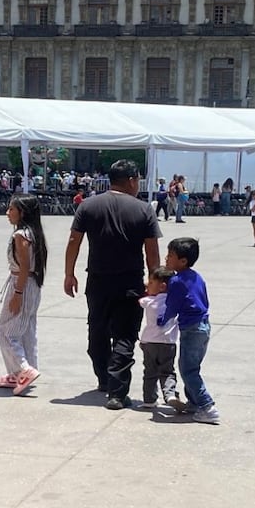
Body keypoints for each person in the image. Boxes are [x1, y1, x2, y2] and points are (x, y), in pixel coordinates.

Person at [64, 159, 162, 409]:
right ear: (131, 180)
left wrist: (69, 273)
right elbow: (152, 252)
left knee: (97, 329)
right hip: (130, 282)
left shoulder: (88, 205)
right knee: (125, 335)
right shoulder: (144, 210)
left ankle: (104, 378)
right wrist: (156, 282)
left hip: (97, 280)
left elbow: (74, 240)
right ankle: (117, 392)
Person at [158, 237, 219, 425]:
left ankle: (207, 406)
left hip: (191, 329)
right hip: (203, 326)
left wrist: (162, 320)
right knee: (192, 367)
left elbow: (172, 306)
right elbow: (203, 300)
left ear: (182, 261)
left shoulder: (176, 281)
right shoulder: (197, 277)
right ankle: (194, 402)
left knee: (188, 370)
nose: (166, 259)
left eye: (170, 256)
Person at [0, 195, 48, 396]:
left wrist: (17, 293)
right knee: (26, 331)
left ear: (22, 212)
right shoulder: (35, 234)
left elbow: (24, 266)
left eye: (11, 210)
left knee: (5, 332)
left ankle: (24, 368)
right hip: (32, 285)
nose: (8, 213)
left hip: (22, 284)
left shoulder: (21, 236)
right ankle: (19, 373)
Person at [137, 267, 179, 410]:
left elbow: (140, 299)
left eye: (151, 282)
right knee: (167, 372)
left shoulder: (148, 301)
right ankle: (170, 394)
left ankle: (149, 400)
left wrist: (144, 290)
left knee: (149, 372)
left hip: (148, 343)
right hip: (168, 343)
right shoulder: (174, 302)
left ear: (162, 286)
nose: (148, 285)